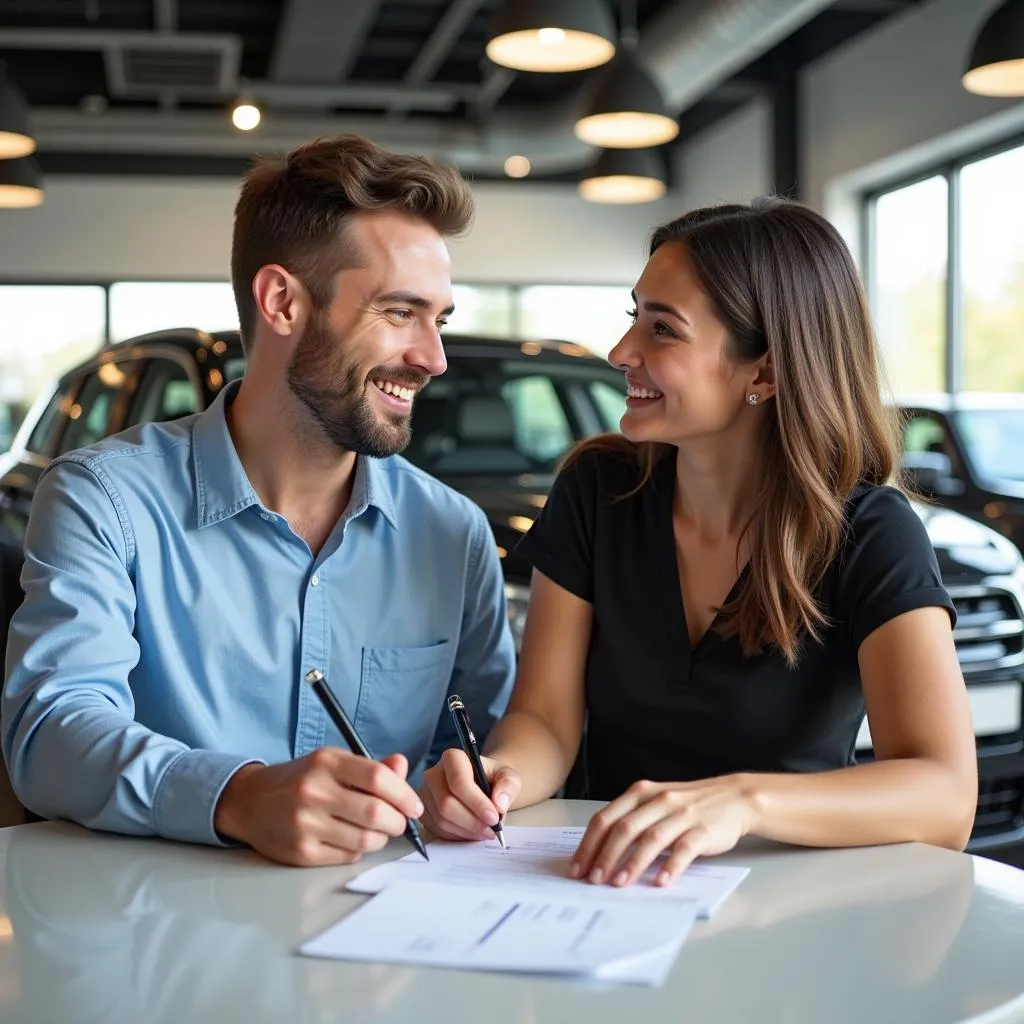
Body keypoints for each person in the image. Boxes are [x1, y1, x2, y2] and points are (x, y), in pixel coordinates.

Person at [420, 197, 978, 887]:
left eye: (663, 330)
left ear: (765, 373)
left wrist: (743, 802)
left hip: (792, 906)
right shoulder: (598, 489)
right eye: (634, 318)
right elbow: (545, 720)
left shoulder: (868, 533)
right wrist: (499, 778)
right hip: (608, 888)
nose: (622, 353)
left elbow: (946, 797)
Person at [2, 134, 516, 866]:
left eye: (440, 319)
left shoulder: (453, 534)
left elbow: (479, 749)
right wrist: (236, 795)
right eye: (401, 313)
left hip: (390, 946)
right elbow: (49, 733)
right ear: (281, 302)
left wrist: (464, 787)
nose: (433, 357)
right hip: (157, 943)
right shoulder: (104, 500)